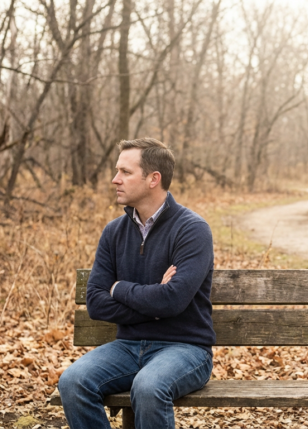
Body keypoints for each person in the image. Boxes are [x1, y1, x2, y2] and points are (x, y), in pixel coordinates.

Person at [58, 138, 215, 429]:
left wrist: (118, 288)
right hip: (128, 346)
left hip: (186, 349)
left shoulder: (192, 230)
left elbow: (173, 300)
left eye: (125, 172)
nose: (115, 179)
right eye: (117, 171)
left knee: (148, 387)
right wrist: (157, 302)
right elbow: (95, 301)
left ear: (154, 179)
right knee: (73, 381)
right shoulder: (114, 232)